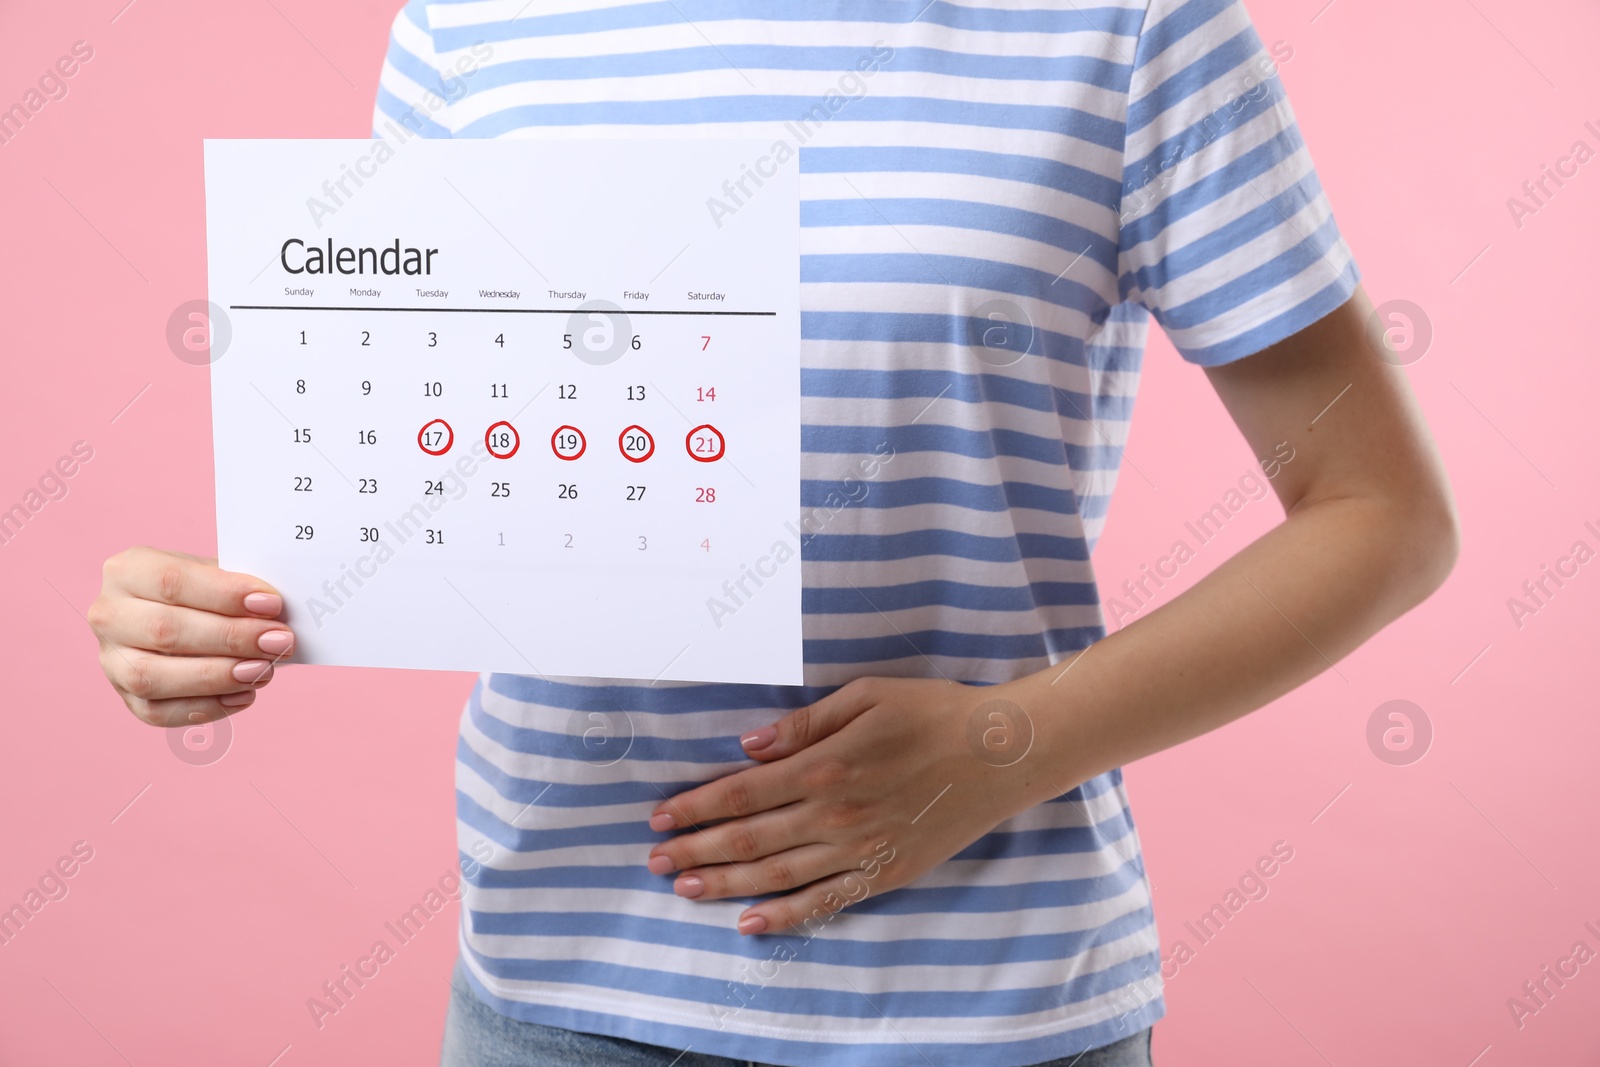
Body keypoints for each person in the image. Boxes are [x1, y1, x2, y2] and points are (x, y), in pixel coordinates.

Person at [90, 1, 1459, 1064]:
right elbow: (436, 473)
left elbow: (1380, 513)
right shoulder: (477, 27)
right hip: (555, 1004)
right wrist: (203, 622)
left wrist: (1005, 746)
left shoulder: (1129, 27)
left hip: (985, 1010)